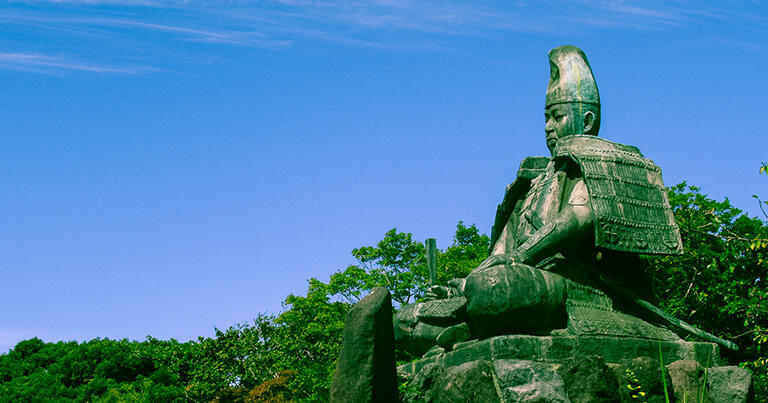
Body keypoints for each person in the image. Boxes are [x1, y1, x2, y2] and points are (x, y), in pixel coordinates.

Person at [394, 45, 689, 356]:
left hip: (573, 287)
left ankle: (471, 323)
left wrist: (520, 257)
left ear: (586, 120)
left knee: (494, 289)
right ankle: (468, 324)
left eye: (557, 117)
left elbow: (579, 216)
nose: (548, 126)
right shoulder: (532, 182)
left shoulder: (600, 162)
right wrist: (461, 284)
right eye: (546, 118)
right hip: (518, 278)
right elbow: (499, 255)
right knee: (405, 320)